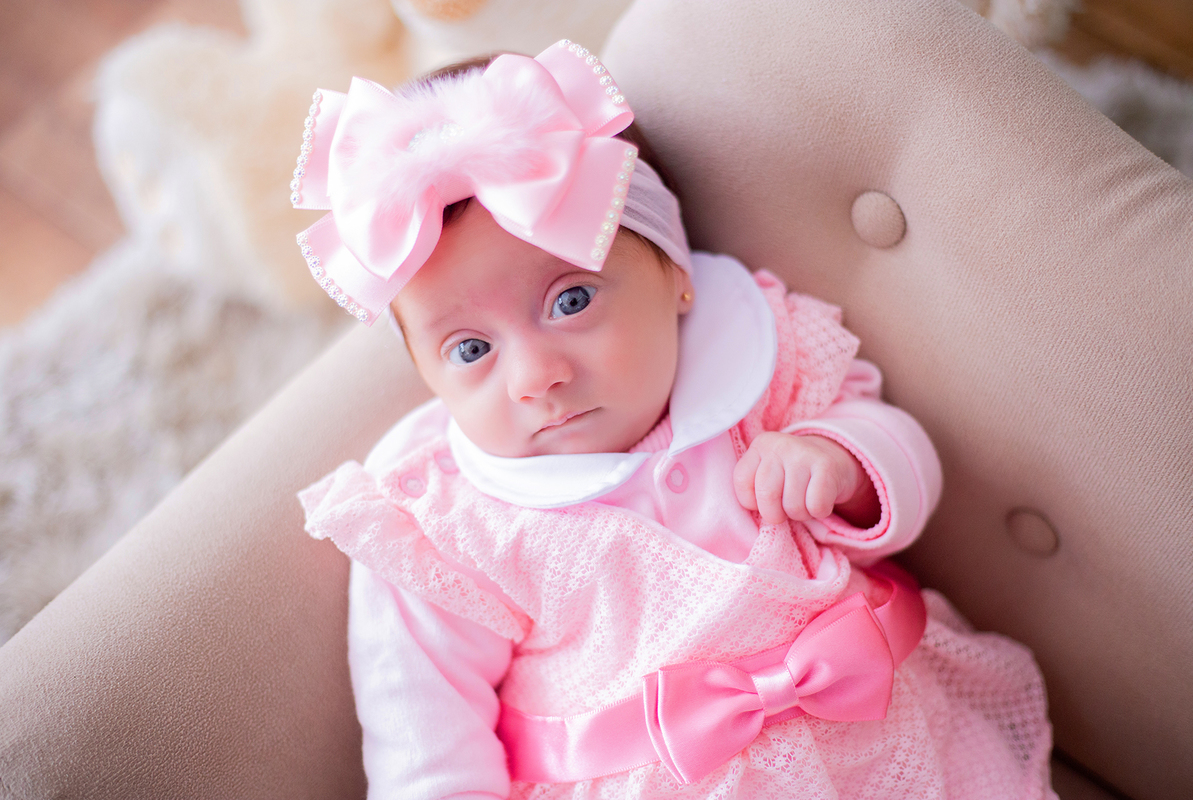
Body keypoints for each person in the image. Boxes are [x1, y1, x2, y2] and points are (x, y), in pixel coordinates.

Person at [294, 41, 1055, 799]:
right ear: (425, 374)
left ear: (676, 272)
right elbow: (426, 749)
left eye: (571, 300)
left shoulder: (760, 361)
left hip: (879, 738)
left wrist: (842, 461)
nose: (536, 376)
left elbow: (902, 453)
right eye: (469, 348)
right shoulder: (443, 525)